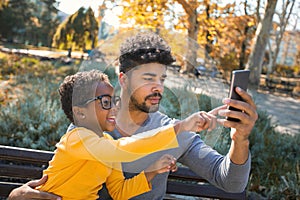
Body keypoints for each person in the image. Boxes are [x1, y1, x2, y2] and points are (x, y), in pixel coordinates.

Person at [8, 32, 257, 200]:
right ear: (123, 79)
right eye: (148, 78)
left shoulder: (176, 132)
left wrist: (240, 138)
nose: (158, 87)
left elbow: (232, 183)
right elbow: (60, 179)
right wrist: (16, 195)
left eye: (162, 79)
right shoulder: (91, 127)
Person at [9, 70, 216, 200]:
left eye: (113, 101)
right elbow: (123, 149)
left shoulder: (108, 144)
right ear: (80, 112)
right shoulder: (78, 138)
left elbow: (119, 191)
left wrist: (152, 171)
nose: (115, 108)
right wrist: (180, 127)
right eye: (105, 102)